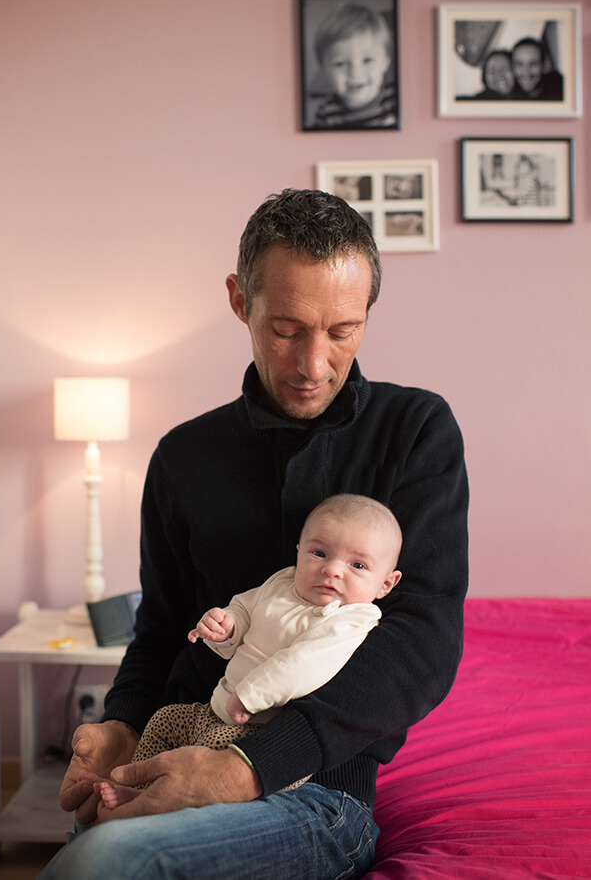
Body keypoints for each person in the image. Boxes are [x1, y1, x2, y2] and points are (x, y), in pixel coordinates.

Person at [37, 187, 469, 880]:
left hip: (318, 793)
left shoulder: (415, 431)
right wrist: (119, 724)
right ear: (240, 301)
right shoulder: (184, 454)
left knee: (103, 864)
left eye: (342, 330)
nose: (313, 364)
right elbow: (161, 631)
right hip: (169, 751)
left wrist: (244, 769)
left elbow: (421, 640)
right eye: (286, 328)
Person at [85, 494, 403, 810]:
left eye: (357, 565)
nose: (332, 570)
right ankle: (135, 788)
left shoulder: (355, 617)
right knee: (164, 721)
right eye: (319, 553)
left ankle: (151, 804)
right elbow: (244, 609)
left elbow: (305, 664)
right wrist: (226, 627)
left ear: (385, 585)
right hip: (213, 711)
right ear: (299, 551)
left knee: (207, 759)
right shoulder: (282, 583)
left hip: (262, 736)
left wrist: (251, 696)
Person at [310, 3, 397, 129]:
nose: (355, 73)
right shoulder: (326, 113)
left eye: (367, 60)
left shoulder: (394, 101)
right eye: (340, 64)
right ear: (324, 70)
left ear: (386, 62)